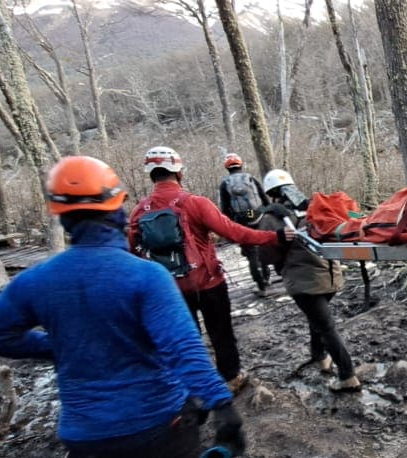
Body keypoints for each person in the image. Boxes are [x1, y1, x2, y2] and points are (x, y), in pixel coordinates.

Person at [0, 156, 246, 458]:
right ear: (117, 210)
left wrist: (61, 348)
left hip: (88, 432)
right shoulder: (146, 276)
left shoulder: (36, 281)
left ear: (63, 221)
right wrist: (223, 406)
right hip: (160, 419)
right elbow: (183, 349)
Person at [128, 146, 293, 390]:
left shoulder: (139, 212)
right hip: (208, 282)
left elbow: (134, 252)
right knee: (221, 332)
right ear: (179, 172)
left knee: (187, 339)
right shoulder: (195, 203)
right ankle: (231, 378)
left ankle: (196, 383)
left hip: (170, 288)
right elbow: (234, 232)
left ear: (151, 175)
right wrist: (274, 236)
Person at [261, 170, 360, 391]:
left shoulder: (270, 217)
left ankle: (347, 376)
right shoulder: (314, 207)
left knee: (326, 327)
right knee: (317, 318)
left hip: (304, 282)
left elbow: (266, 255)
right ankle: (320, 356)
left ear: (270, 193)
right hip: (331, 276)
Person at [217, 153, 273, 295]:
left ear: (227, 167)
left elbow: (225, 208)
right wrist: (268, 211)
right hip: (258, 215)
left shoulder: (225, 183)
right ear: (241, 165)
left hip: (242, 220)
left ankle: (261, 285)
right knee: (262, 245)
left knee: (251, 252)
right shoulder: (250, 178)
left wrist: (229, 224)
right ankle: (266, 277)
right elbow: (263, 197)